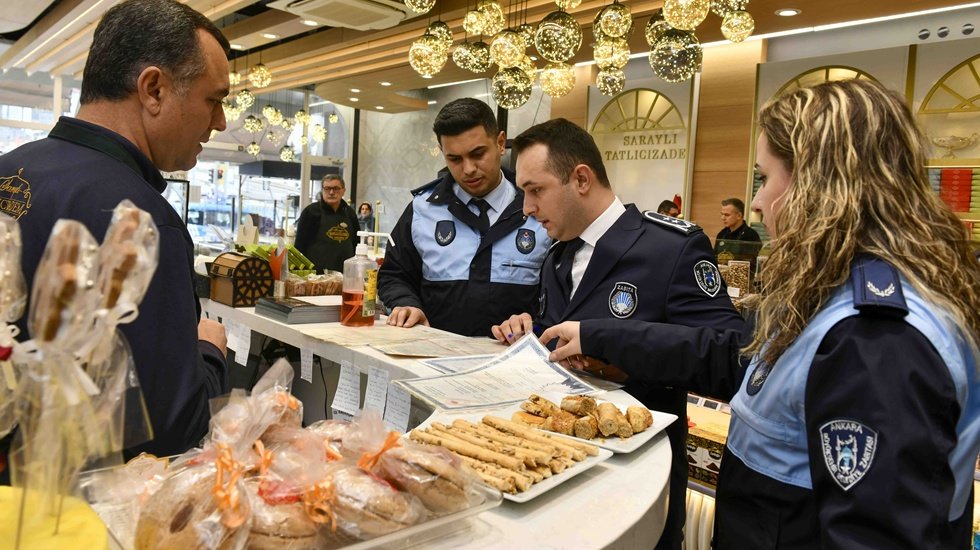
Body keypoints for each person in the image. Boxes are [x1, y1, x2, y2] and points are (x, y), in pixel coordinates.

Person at [540, 79, 980, 549]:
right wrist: (602, 337)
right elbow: (735, 358)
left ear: (821, 185)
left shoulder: (875, 335)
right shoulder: (836, 290)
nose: (755, 201)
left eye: (765, 178)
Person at [490, 118, 745, 550]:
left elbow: (730, 354)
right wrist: (528, 332)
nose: (527, 207)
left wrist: (611, 345)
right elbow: (564, 332)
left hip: (636, 482)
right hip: (556, 474)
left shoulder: (672, 247)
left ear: (582, 179)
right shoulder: (557, 254)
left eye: (535, 190)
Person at [0, 0, 230, 458]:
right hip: (76, 514)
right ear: (153, 89)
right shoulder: (142, 222)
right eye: (214, 100)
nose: (220, 123)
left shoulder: (7, 168)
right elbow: (170, 429)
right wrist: (209, 352)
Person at [377, 98, 551, 337]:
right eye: (454, 159)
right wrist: (406, 303)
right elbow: (394, 275)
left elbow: (562, 292)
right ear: (442, 153)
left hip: (516, 363)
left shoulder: (539, 208)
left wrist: (534, 322)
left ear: (500, 143)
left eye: (478, 154)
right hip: (433, 358)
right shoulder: (421, 209)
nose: (468, 169)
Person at [294, 174, 361, 273]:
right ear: (322, 190)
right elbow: (300, 247)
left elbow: (356, 243)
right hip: (317, 277)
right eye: (327, 188)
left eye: (336, 188)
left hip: (345, 275)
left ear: (343, 191)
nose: (331, 192)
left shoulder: (350, 213)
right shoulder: (311, 212)